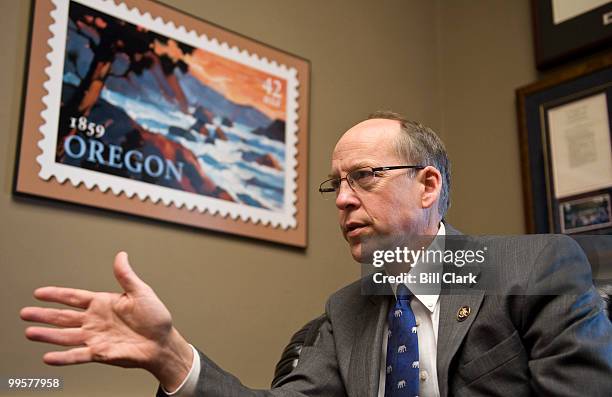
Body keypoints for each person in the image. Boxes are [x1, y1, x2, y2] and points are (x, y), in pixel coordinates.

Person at [21, 112, 612, 396]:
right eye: (337, 185)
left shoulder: (534, 268)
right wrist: (172, 357)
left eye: (365, 177)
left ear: (427, 187)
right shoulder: (350, 310)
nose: (344, 200)